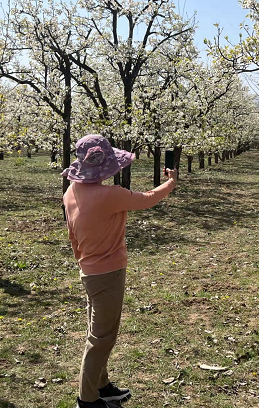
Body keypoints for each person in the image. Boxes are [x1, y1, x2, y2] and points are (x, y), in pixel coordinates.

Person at [62, 135, 177, 408]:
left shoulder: (70, 193)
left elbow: (72, 236)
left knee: (97, 332)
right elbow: (148, 199)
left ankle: (102, 385)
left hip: (88, 271)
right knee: (101, 339)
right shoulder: (110, 195)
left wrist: (83, 261)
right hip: (109, 274)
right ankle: (87, 400)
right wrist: (171, 182)